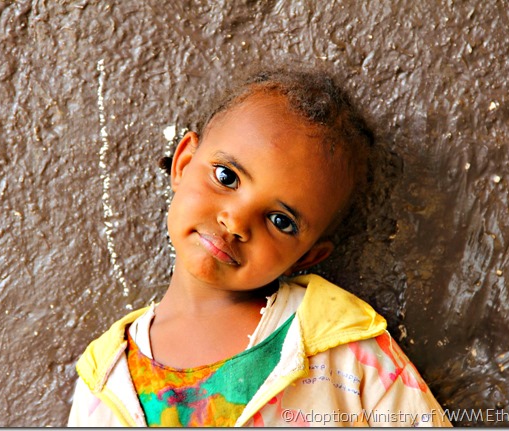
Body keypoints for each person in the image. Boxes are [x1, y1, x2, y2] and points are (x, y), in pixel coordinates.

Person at [68, 69, 452, 427]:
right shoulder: (105, 375)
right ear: (183, 163)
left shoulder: (348, 355)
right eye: (227, 177)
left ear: (306, 256)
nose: (235, 222)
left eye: (280, 221)